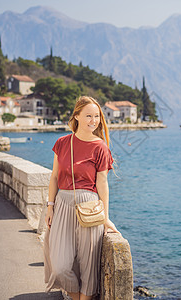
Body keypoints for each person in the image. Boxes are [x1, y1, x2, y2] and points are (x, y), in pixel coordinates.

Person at [44, 96, 119, 300]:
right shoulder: (62, 143)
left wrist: (105, 217)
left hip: (90, 207)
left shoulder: (101, 147)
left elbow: (103, 184)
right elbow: (53, 178)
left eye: (96, 116)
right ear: (76, 116)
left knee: (89, 265)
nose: (93, 121)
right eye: (88, 116)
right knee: (59, 265)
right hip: (63, 205)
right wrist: (50, 207)